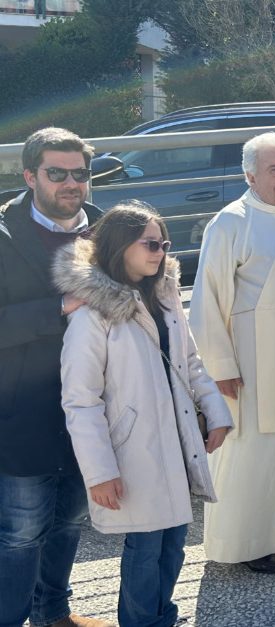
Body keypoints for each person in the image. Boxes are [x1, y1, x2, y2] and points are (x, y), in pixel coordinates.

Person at [55, 203, 232, 627]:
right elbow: (81, 399)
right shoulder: (92, 314)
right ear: (121, 247)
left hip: (175, 440)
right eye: (150, 243)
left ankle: (162, 616)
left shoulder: (165, 296)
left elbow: (190, 362)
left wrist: (216, 410)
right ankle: (142, 621)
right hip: (133, 450)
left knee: (174, 541)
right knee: (146, 543)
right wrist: (99, 472)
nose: (159, 252)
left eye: (164, 243)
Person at [188, 132, 275, 573]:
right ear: (250, 175)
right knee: (253, 448)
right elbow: (207, 298)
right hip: (251, 353)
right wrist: (221, 367)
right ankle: (248, 541)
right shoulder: (231, 222)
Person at [0, 127, 110, 627]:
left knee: (70, 519)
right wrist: (61, 307)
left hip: (92, 404)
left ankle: (55, 615)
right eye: (57, 173)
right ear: (29, 176)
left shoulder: (110, 230)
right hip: (22, 407)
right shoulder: (3, 233)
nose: (71, 183)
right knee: (21, 531)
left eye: (80, 173)